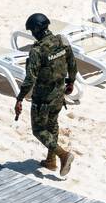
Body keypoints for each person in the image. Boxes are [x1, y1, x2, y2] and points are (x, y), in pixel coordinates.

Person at [13, 13, 77, 178]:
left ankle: (63, 155)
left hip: (43, 98)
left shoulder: (37, 50)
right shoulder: (62, 40)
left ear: (35, 30)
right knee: (52, 125)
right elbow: (72, 63)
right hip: (59, 94)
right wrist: (71, 82)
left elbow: (30, 79)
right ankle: (50, 161)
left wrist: (20, 98)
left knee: (39, 130)